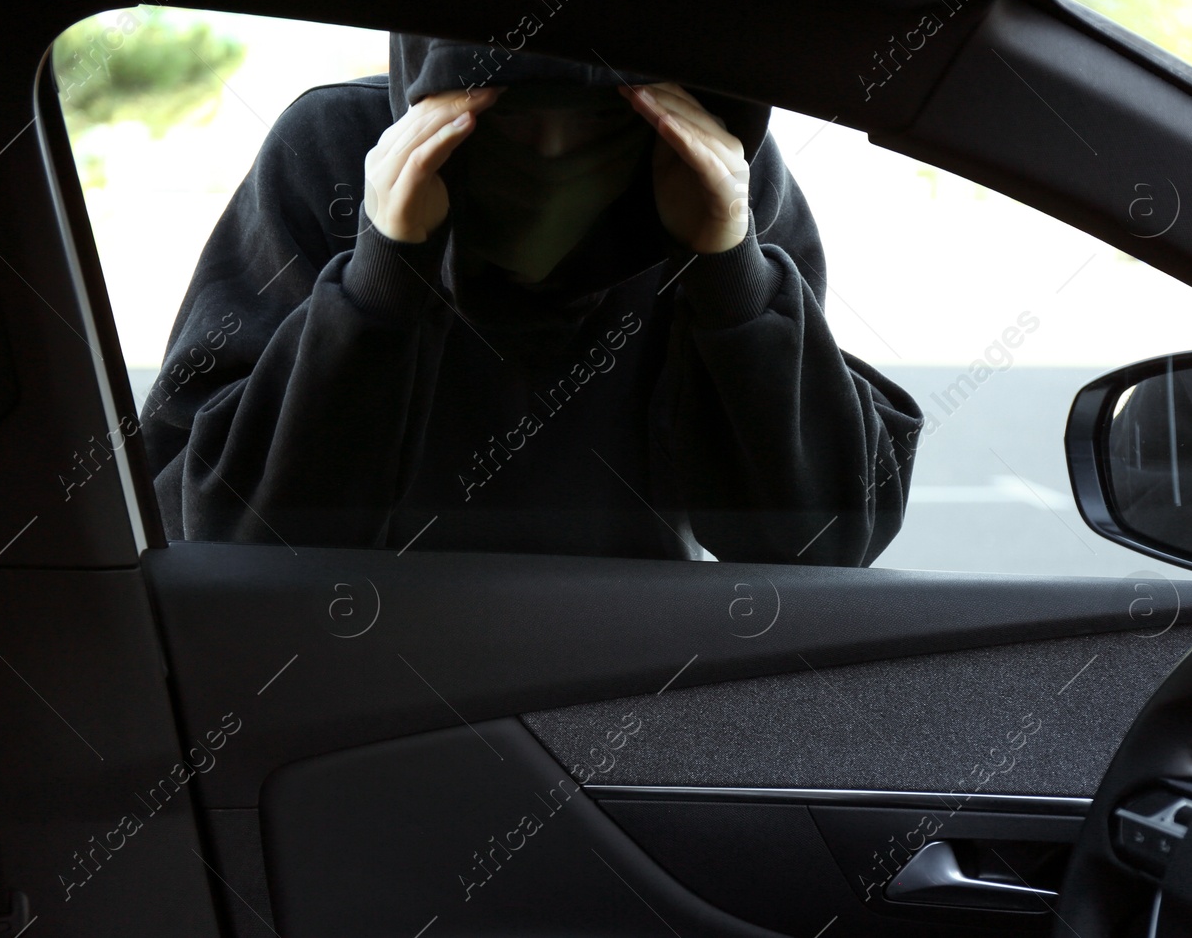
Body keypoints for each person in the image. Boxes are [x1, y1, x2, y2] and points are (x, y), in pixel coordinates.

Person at [141, 33, 925, 563]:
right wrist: (381, 274)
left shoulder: (706, 167)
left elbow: (825, 537)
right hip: (361, 686)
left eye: (597, 126)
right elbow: (212, 526)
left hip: (625, 689)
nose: (552, 155)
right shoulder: (339, 150)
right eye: (510, 124)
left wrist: (727, 268)